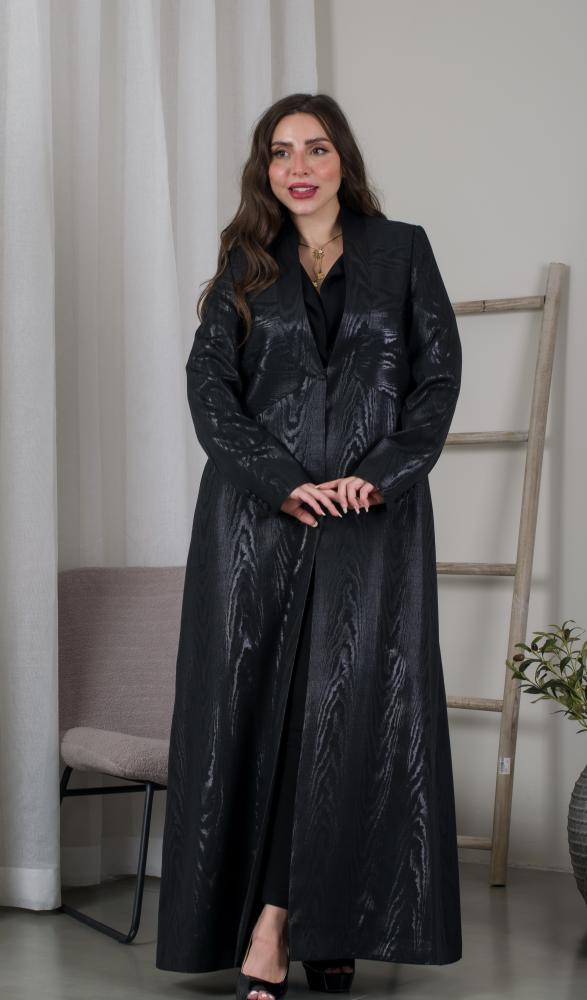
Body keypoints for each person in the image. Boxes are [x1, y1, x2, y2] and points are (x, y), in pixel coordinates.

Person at [156, 93, 463, 1000]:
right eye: (280, 151)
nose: (298, 167)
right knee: (273, 717)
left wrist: (382, 474)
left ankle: (292, 924)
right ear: (265, 168)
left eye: (315, 148)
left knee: (352, 719)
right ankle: (291, 923)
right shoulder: (246, 260)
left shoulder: (401, 251)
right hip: (258, 523)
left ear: (342, 160)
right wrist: (282, 481)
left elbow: (436, 379)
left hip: (371, 522)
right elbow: (210, 391)